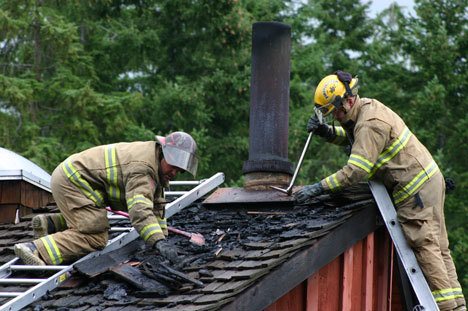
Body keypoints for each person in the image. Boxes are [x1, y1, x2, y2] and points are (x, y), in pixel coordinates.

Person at [294, 71, 465, 311]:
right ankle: (457, 306)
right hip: (428, 182)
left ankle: (445, 308)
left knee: (424, 244)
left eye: (337, 113)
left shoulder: (370, 123)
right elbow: (355, 139)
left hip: (414, 191)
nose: (338, 118)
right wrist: (327, 132)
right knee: (440, 247)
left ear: (349, 101)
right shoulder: (366, 111)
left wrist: (318, 188)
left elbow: (356, 171)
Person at [14, 131, 198, 266]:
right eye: (173, 166)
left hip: (77, 180)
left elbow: (156, 207)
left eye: (179, 170)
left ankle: (51, 224)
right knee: (96, 237)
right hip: (73, 182)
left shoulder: (155, 164)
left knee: (91, 219)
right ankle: (36, 249)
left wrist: (162, 242)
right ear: (164, 154)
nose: (174, 173)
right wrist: (157, 242)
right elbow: (140, 211)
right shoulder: (143, 168)